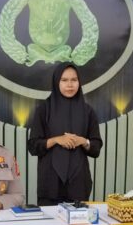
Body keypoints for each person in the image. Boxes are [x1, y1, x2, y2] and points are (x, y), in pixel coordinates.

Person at [27, 62, 103, 205]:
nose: (70, 85)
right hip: (50, 185)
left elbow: (96, 147)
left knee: (78, 219)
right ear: (57, 82)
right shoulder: (44, 109)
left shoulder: (88, 111)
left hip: (79, 185)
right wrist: (57, 140)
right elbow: (33, 146)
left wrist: (83, 141)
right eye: (64, 80)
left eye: (74, 80)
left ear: (79, 82)